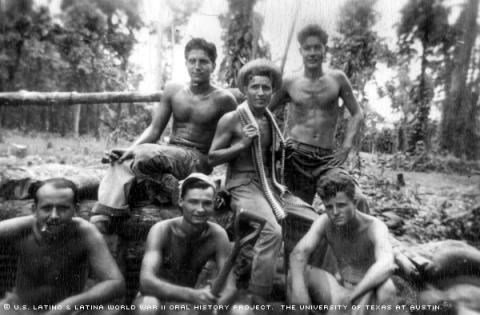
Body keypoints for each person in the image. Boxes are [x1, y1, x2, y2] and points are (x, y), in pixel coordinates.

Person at [91, 37, 237, 232]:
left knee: (142, 155)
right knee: (122, 159)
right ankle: (106, 215)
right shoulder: (173, 90)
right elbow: (154, 130)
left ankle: (173, 187)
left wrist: (138, 151)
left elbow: (232, 140)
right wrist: (130, 149)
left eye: (203, 61)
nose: (197, 66)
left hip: (197, 158)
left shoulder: (224, 99)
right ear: (186, 63)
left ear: (213, 65)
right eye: (192, 61)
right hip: (169, 151)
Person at [209, 59, 317, 301]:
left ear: (272, 91)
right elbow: (211, 158)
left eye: (266, 88)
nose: (260, 93)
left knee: (315, 220)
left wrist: (282, 149)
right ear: (245, 90)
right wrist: (241, 145)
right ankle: (258, 297)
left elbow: (272, 157)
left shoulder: (269, 119)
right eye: (255, 87)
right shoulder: (233, 118)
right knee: (272, 232)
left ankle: (297, 282)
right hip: (243, 186)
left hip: (270, 185)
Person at [269, 24, 368, 211]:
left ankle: (360, 238)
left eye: (317, 47)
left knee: (356, 199)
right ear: (301, 51)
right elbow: (265, 112)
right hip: (296, 158)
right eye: (308, 48)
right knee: (295, 214)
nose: (312, 52)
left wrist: (346, 146)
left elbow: (357, 113)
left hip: (327, 160)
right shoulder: (290, 82)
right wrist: (275, 144)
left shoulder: (337, 79)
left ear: (325, 50)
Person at [0, 178, 125, 315]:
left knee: (110, 312)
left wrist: (71, 304)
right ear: (34, 210)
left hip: (72, 311)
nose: (54, 216)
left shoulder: (84, 232)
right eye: (46, 208)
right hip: (21, 308)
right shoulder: (20, 229)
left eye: (63, 208)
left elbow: (115, 283)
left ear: (75, 210)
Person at [289, 173, 398, 314]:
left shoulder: (374, 226)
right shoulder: (324, 222)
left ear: (354, 201)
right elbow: (299, 252)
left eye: (341, 205)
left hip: (369, 291)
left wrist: (352, 298)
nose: (335, 212)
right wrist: (299, 292)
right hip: (341, 289)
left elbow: (387, 264)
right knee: (296, 275)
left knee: (387, 288)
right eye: (329, 207)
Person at [133, 173, 236, 314]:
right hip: (159, 297)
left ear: (213, 205)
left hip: (193, 302)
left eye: (207, 203)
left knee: (242, 311)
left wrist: (215, 309)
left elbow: (230, 287)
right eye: (193, 202)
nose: (200, 209)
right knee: (148, 306)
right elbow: (146, 282)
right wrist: (192, 295)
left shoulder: (218, 235)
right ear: (181, 202)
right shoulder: (162, 230)